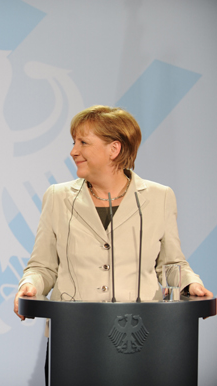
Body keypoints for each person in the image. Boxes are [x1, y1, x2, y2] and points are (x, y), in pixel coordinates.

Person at [13, 105, 213, 384]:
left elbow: (171, 263)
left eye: (83, 142)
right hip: (73, 339)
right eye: (74, 142)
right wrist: (30, 284)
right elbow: (43, 266)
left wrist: (190, 283)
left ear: (114, 149)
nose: (73, 151)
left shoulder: (159, 197)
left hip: (140, 338)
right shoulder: (57, 197)